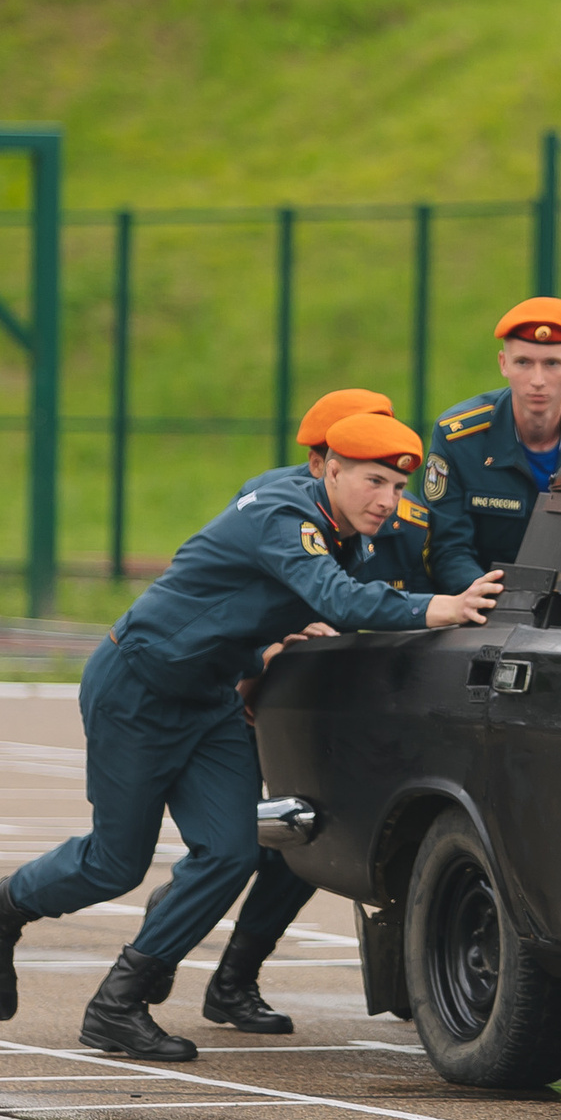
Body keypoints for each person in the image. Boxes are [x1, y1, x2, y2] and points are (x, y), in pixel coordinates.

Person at [0, 413, 500, 1061]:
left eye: (397, 486)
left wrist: (284, 632)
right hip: (139, 685)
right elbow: (338, 597)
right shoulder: (287, 515)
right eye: (374, 480)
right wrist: (439, 606)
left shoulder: (339, 529)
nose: (388, 499)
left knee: (231, 851)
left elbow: (302, 595)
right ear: (328, 467)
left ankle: (118, 1005)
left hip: (209, 697)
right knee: (115, 861)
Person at [191, 388, 433, 1037]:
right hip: (273, 692)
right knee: (268, 835)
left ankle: (235, 976)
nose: (385, 487)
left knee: (320, 834)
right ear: (327, 461)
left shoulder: (403, 516)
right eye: (362, 461)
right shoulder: (277, 506)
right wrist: (262, 656)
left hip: (370, 691)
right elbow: (236, 598)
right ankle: (190, 956)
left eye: (391, 469)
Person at [426, 297, 561, 593]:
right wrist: (495, 603)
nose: (537, 380)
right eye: (523, 363)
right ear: (504, 364)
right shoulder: (459, 438)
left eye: (552, 363)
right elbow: (449, 551)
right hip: (481, 610)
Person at [243, 388, 431, 591]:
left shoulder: (412, 525)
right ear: (320, 465)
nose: (386, 500)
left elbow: (431, 608)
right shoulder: (265, 503)